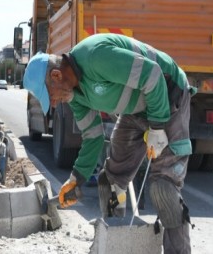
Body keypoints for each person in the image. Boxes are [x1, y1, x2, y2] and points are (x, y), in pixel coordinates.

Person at [23, 33, 194, 254]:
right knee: (110, 183)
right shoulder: (73, 95)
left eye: (51, 96)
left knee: (163, 188)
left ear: (56, 75)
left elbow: (153, 75)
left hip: (168, 96)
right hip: (137, 108)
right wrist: (76, 179)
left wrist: (158, 126)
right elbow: (93, 136)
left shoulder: (95, 57)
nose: (54, 103)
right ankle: (117, 243)